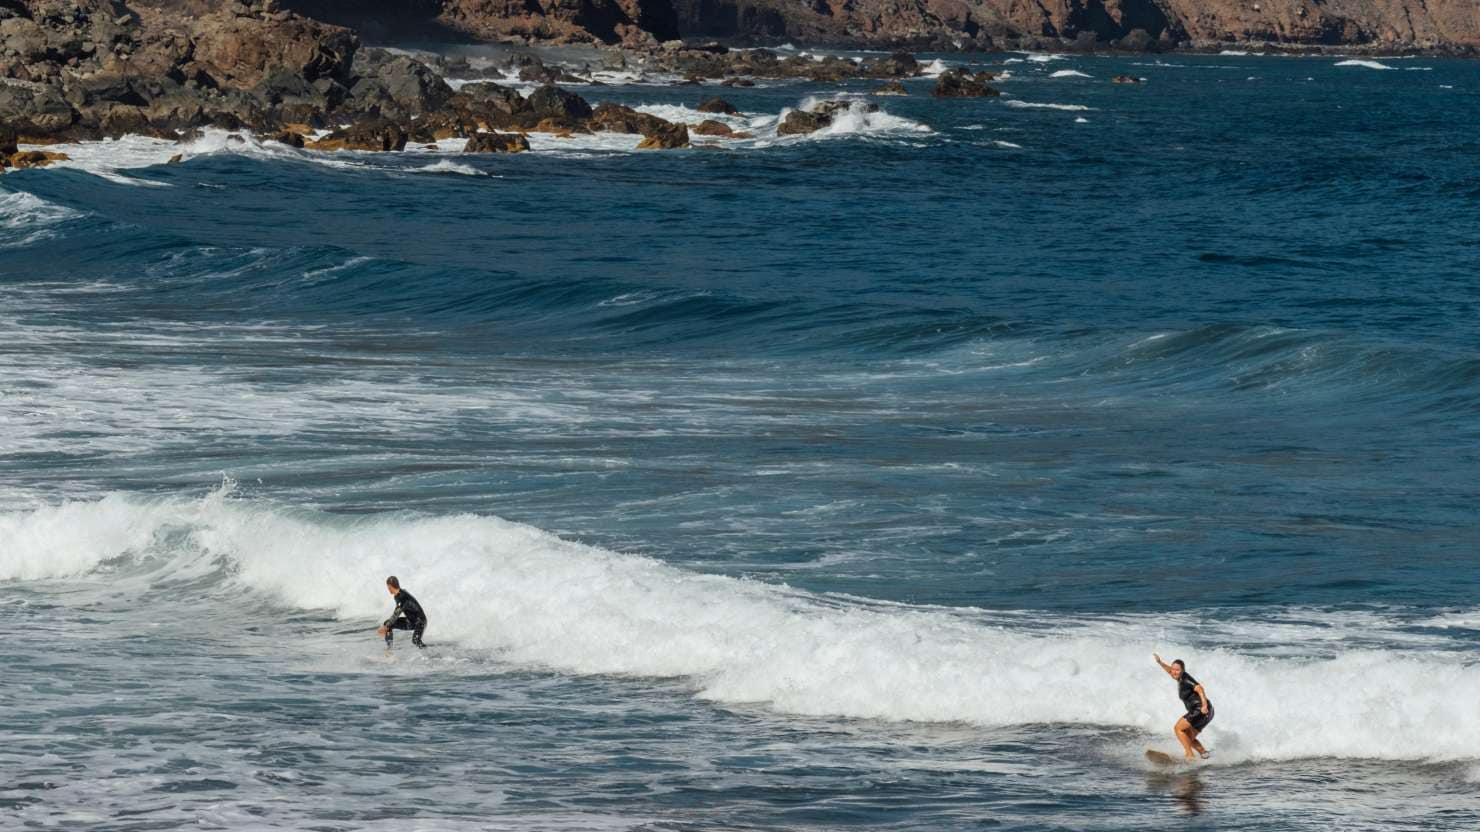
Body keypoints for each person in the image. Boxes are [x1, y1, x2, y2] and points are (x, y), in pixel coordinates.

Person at [1154, 653, 1213, 761]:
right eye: (1173, 669)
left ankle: (1189, 755)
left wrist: (1204, 706)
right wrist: (1160, 663)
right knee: (1187, 737)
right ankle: (1204, 754)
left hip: (1200, 709)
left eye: (1177, 670)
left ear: (1183, 670)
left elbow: (1200, 688)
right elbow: (1170, 671)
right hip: (1209, 712)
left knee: (1178, 729)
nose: (1174, 672)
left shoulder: (1186, 679)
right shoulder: (1178, 676)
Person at [376, 576, 427, 649]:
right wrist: (387, 626)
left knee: (416, 640)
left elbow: (397, 612)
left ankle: (428, 651)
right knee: (388, 624)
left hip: (420, 622)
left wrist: (385, 627)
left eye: (388, 587)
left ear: (390, 586)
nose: (388, 589)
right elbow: (396, 611)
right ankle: (389, 651)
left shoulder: (403, 597)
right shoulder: (397, 595)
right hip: (411, 621)